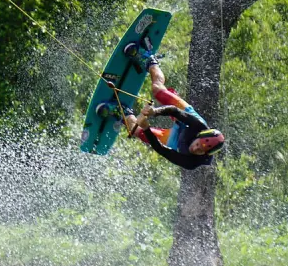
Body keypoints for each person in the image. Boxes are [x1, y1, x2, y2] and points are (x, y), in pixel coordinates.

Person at [96, 39, 225, 170]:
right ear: (199, 135)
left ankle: (121, 111)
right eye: (198, 144)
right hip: (184, 117)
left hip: (175, 141)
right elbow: (174, 111)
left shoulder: (191, 162)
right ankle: (149, 60)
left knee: (137, 130)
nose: (195, 148)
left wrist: (146, 128)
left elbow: (160, 148)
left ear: (205, 154)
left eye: (199, 151)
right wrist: (154, 112)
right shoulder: (199, 125)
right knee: (157, 90)